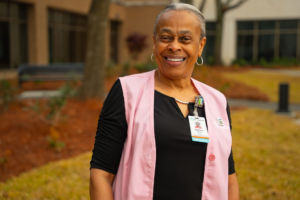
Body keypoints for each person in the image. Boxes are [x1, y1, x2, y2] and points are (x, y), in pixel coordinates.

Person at [90, 3, 239, 200]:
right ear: (154, 42)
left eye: (185, 39)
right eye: (166, 38)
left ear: (200, 45)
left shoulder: (217, 101)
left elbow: (229, 179)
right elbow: (101, 174)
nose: (174, 46)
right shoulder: (127, 92)